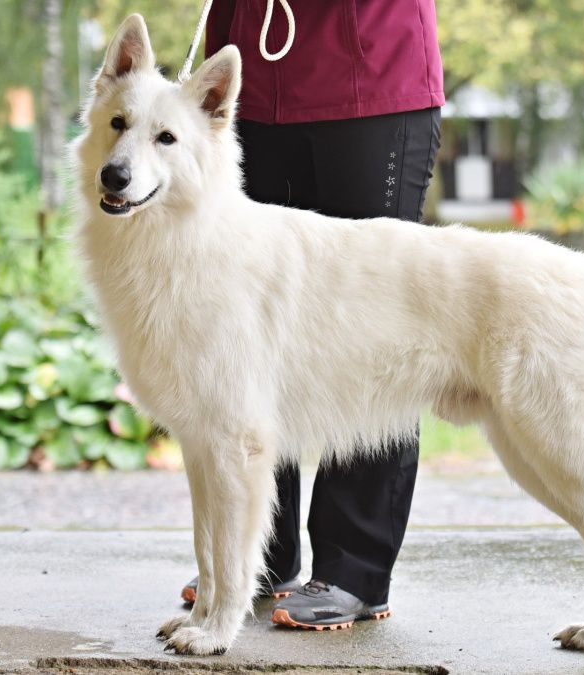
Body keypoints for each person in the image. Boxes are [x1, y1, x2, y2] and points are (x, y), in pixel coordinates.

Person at [181, 0, 444, 630]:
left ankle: (355, 569)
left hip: (370, 81)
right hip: (254, 87)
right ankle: (258, 558)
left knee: (374, 331)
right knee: (253, 334)